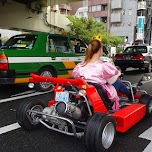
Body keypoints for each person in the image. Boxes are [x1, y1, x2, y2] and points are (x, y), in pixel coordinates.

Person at [72, 39, 132, 110]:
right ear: (100, 50)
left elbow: (74, 76)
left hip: (85, 90)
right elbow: (111, 81)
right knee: (118, 83)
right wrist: (117, 73)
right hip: (100, 93)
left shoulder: (80, 65)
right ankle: (130, 94)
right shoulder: (103, 66)